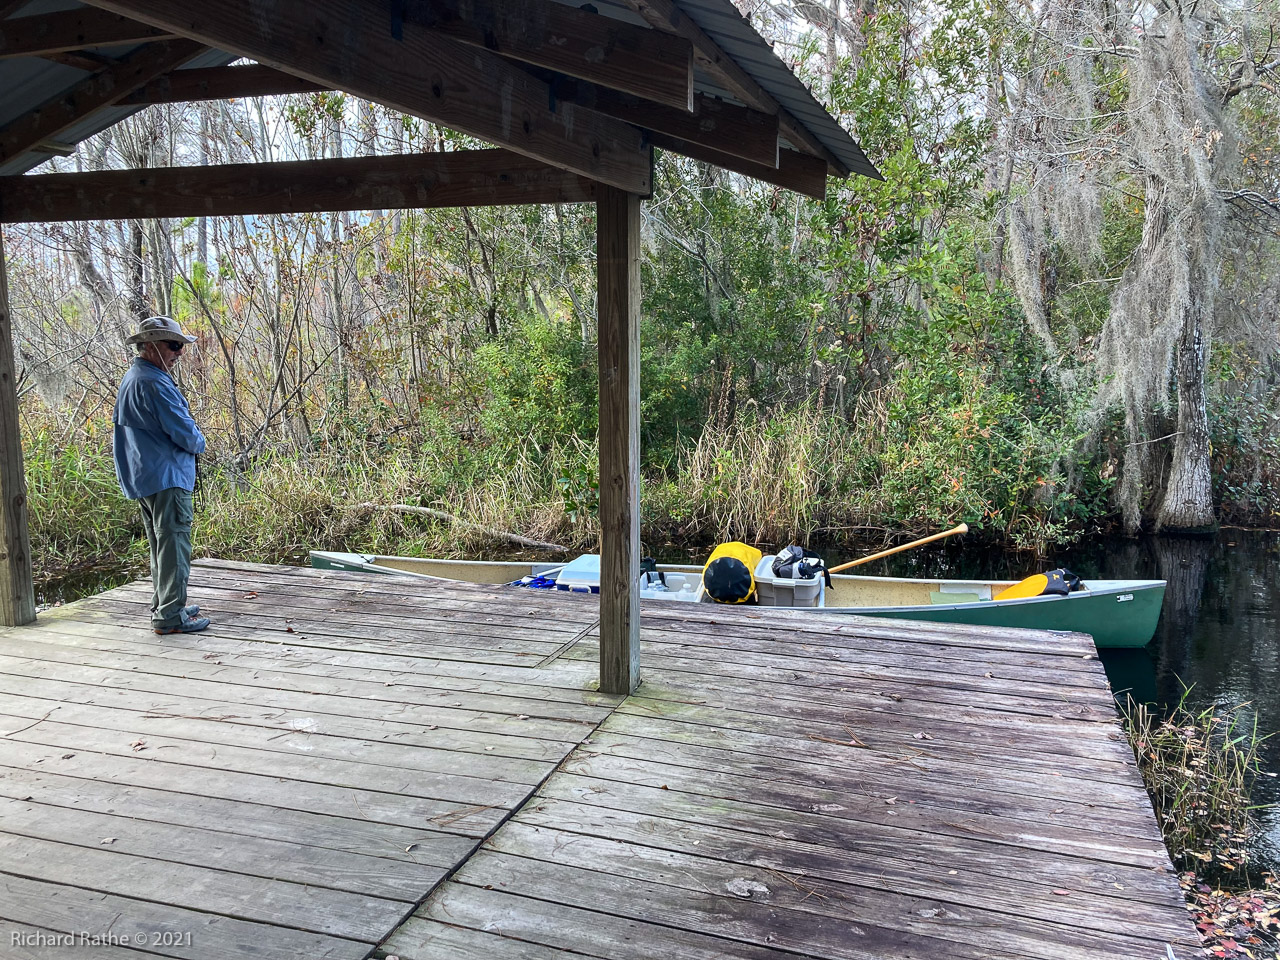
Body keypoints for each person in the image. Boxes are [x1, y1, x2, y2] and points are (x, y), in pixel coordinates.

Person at [113, 316, 210, 634]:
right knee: (174, 546)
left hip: (146, 477)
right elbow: (187, 434)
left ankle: (166, 604)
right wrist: (200, 441)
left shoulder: (134, 376)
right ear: (152, 345)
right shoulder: (153, 382)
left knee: (160, 546)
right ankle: (170, 616)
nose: (179, 352)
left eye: (180, 345)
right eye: (174, 345)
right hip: (167, 479)